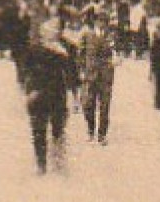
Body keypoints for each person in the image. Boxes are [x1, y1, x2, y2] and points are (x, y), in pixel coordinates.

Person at [22, 20, 76, 174]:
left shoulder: (63, 51)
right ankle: (44, 164)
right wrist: (28, 91)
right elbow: (27, 72)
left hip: (53, 95)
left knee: (55, 130)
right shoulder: (36, 50)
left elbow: (71, 74)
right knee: (41, 131)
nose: (52, 34)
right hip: (41, 94)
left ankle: (53, 163)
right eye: (49, 31)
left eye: (54, 31)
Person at [78, 12, 116, 145]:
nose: (102, 25)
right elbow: (80, 54)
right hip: (90, 74)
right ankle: (90, 130)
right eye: (100, 21)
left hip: (105, 76)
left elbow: (115, 53)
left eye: (105, 22)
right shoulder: (87, 35)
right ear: (95, 22)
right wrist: (82, 70)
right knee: (88, 105)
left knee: (105, 106)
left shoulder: (110, 36)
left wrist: (114, 61)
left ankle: (102, 135)